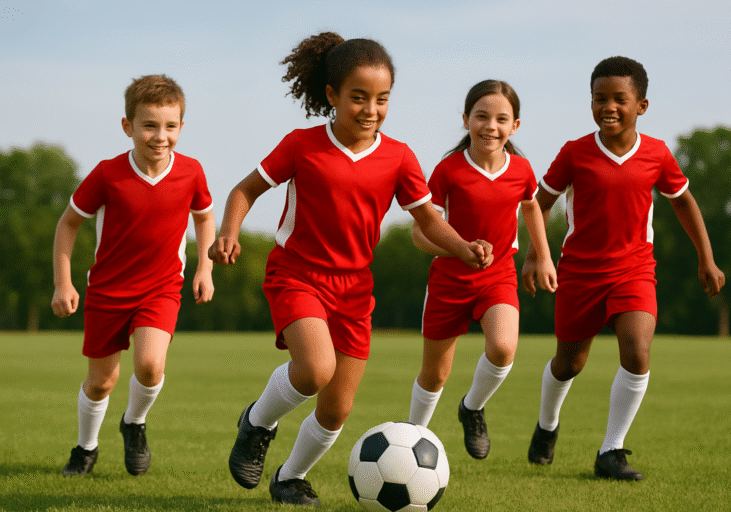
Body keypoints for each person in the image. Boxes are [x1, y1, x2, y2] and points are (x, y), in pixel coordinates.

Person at [208, 32, 492, 507]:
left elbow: (426, 218)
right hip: (296, 274)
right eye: (358, 97)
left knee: (337, 407)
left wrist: (463, 247)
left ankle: (289, 477)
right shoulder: (302, 144)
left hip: (355, 290)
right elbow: (244, 191)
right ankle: (257, 422)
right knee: (315, 368)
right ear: (332, 96)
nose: (371, 109)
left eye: (382, 99)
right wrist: (230, 232)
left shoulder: (399, 156)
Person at [523, 56, 725, 480]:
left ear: (642, 106)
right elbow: (535, 207)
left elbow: (684, 201)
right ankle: (547, 425)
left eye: (620, 99)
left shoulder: (656, 153)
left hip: (634, 270)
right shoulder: (575, 152)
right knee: (569, 363)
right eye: (600, 98)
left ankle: (610, 451)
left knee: (637, 352)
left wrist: (705, 257)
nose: (608, 107)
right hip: (579, 274)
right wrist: (536, 255)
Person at [51, 75, 215, 477]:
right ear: (128, 127)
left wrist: (205, 267)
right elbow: (67, 224)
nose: (160, 136)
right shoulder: (108, 174)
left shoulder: (192, 172)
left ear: (181, 127)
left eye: (170, 126)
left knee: (150, 365)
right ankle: (85, 449)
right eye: (149, 126)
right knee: (102, 383)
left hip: (161, 288)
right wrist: (63, 282)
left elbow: (205, 217)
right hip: (107, 292)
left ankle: (135, 422)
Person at [407, 80, 557, 460]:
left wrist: (542, 256)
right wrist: (458, 250)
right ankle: (410, 443)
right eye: (482, 117)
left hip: (499, 276)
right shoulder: (448, 170)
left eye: (501, 119)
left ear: (515, 127)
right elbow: (419, 233)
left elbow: (531, 207)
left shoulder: (521, 169)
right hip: (448, 281)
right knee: (435, 375)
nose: (491, 126)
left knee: (504, 347)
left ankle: (472, 407)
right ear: (465, 120)